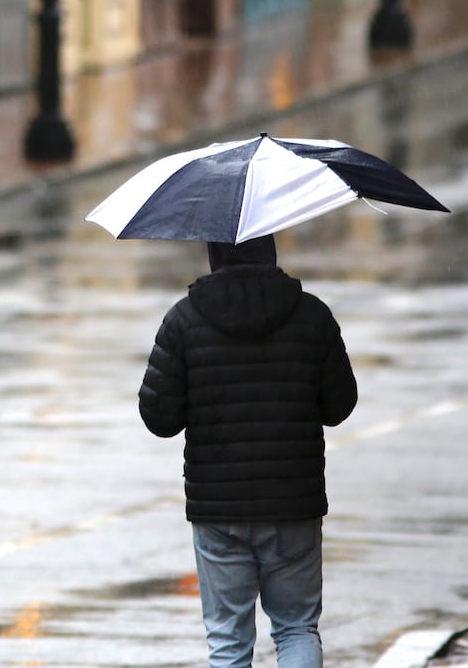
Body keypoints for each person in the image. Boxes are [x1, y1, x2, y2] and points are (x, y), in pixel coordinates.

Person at [138, 235, 357, 668]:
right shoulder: (312, 316)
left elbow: (159, 418)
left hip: (219, 508)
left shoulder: (182, 321)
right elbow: (340, 405)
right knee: (296, 628)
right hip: (293, 502)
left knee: (228, 642)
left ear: (214, 252)